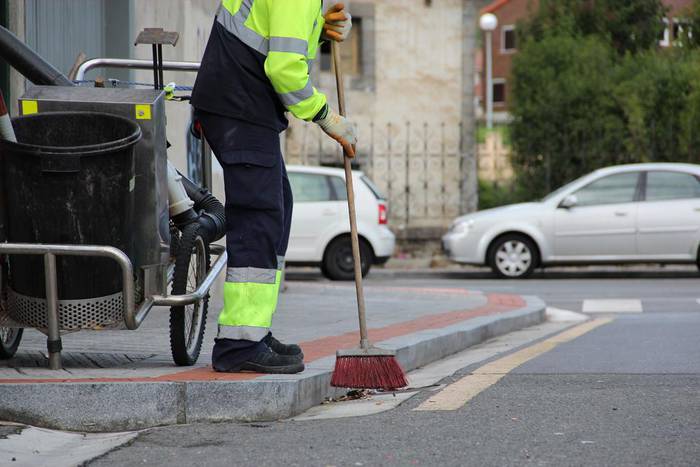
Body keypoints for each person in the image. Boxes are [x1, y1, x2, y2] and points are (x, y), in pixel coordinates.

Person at [190, 0, 356, 374]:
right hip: (240, 106)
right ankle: (238, 345)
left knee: (276, 209)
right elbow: (284, 69)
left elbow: (270, 37)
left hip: (241, 104)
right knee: (259, 217)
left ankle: (253, 331)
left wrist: (317, 31)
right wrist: (326, 117)